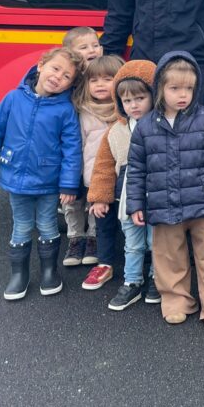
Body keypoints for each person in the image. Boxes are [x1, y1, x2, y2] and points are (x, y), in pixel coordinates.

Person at [126, 51, 204, 330]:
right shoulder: (145, 127)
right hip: (163, 204)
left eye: (189, 88)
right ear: (160, 88)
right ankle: (176, 302)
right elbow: (136, 169)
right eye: (175, 88)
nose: (183, 95)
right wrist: (135, 204)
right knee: (169, 258)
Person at [0, 47, 84, 301]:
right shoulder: (13, 99)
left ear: (71, 84)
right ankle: (19, 275)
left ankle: (49, 273)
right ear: (41, 65)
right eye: (55, 68)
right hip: (16, 179)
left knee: (47, 224)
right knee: (21, 226)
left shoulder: (65, 110)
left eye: (66, 76)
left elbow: (72, 150)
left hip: (48, 181)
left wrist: (69, 185)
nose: (58, 77)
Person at [86, 59, 161, 311]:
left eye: (140, 98)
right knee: (133, 243)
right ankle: (132, 282)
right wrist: (99, 197)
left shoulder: (164, 126)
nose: (134, 105)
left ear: (154, 95)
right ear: (119, 102)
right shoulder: (115, 131)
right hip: (127, 200)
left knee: (157, 242)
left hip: (157, 197)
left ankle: (157, 279)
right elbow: (104, 166)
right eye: (127, 101)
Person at [67, 54, 123, 283]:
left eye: (108, 79)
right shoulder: (83, 112)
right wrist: (75, 178)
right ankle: (104, 262)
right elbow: (78, 146)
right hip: (95, 179)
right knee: (103, 223)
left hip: (124, 180)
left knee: (129, 224)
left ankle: (137, 263)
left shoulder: (126, 110)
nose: (100, 84)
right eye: (94, 80)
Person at [59, 30, 108, 268]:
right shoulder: (68, 79)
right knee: (71, 199)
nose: (92, 50)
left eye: (95, 45)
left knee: (94, 195)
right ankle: (75, 237)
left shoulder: (103, 74)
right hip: (71, 152)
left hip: (94, 151)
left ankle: (92, 238)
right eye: (84, 47)